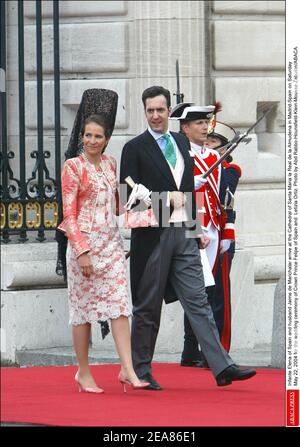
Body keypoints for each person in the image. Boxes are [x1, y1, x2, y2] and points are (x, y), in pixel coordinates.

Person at [120, 85, 256, 389]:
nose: (155, 115)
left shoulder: (181, 143)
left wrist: (196, 231)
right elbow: (126, 194)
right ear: (145, 112)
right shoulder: (135, 147)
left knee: (198, 301)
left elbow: (187, 193)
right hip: (152, 236)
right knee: (148, 307)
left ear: (169, 111)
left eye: (160, 110)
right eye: (150, 110)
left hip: (184, 233)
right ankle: (140, 370)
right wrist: (165, 198)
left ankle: (222, 366)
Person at [57, 113, 149, 394]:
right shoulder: (73, 167)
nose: (92, 141)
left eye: (98, 136)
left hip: (111, 246)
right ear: (81, 137)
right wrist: (82, 251)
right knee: (83, 312)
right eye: (88, 135)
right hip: (84, 248)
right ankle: (83, 373)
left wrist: (147, 208)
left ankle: (128, 370)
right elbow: (68, 214)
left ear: (107, 139)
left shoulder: (111, 164)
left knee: (120, 307)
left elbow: (119, 208)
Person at [170, 103, 235, 367]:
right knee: (194, 291)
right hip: (191, 227)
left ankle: (202, 352)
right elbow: (175, 198)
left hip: (213, 229)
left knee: (208, 291)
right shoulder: (178, 155)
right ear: (185, 128)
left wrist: (224, 231)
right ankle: (190, 348)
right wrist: (195, 230)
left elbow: (220, 198)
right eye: (198, 123)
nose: (204, 127)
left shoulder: (212, 158)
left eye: (205, 123)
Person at [206, 120, 242, 352]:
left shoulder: (230, 170)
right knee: (200, 293)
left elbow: (222, 195)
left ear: (224, 147)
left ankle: (221, 347)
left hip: (221, 236)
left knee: (219, 294)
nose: (209, 145)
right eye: (206, 140)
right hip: (199, 234)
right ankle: (196, 348)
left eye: (214, 142)